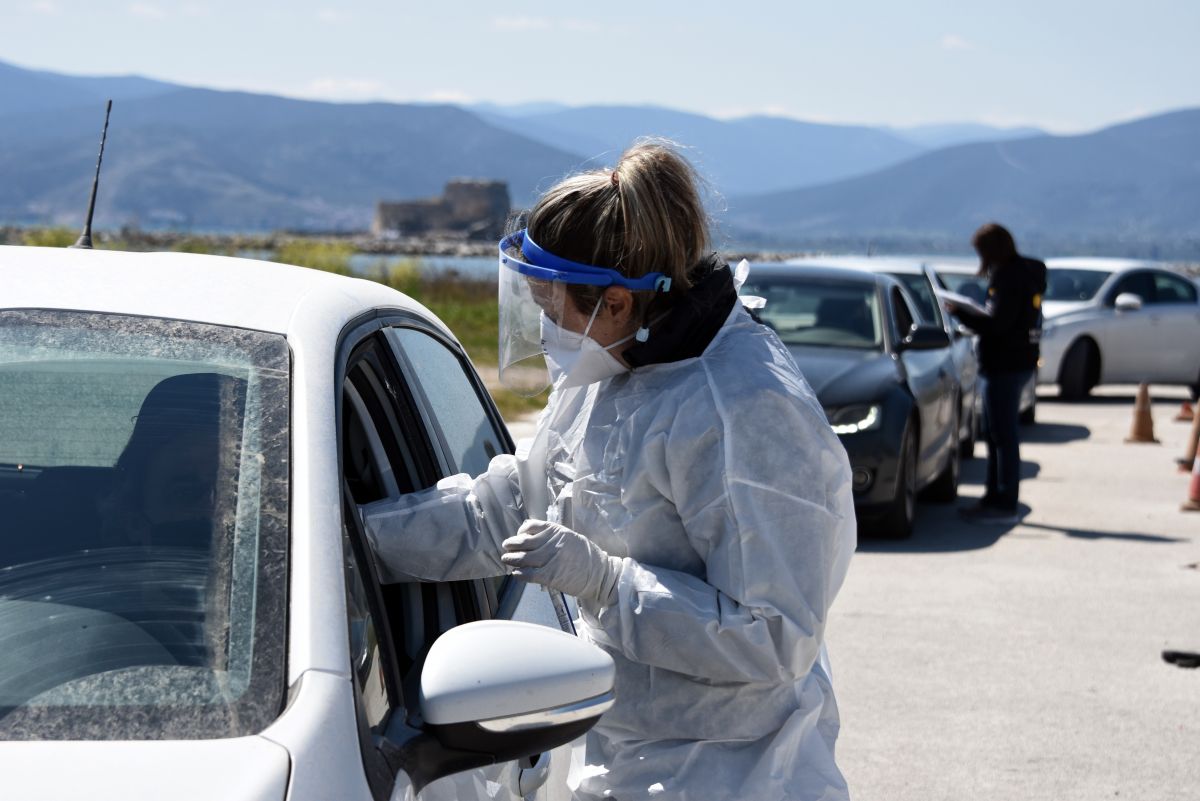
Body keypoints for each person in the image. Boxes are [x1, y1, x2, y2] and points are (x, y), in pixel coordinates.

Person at [362, 141, 857, 800]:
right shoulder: (612, 364)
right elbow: (514, 504)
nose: (543, 328)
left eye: (550, 306)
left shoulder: (747, 411)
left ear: (616, 302)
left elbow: (775, 636)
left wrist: (604, 579)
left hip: (736, 770)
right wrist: (356, 537)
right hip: (624, 751)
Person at [946, 223, 1047, 524]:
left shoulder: (1009, 277)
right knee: (994, 434)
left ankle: (1004, 502)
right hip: (1014, 363)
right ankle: (994, 497)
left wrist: (962, 313)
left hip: (1004, 365)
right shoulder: (1021, 274)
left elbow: (998, 324)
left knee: (1003, 436)